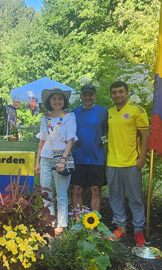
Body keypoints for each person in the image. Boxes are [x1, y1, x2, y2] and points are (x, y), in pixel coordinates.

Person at [107, 81, 149, 246]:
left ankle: (138, 230)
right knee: (115, 196)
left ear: (127, 92)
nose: (117, 95)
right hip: (113, 162)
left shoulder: (136, 110)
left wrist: (142, 159)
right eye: (114, 92)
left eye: (120, 92)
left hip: (131, 162)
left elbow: (145, 135)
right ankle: (121, 227)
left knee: (135, 198)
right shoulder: (109, 112)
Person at [35, 87, 77, 236]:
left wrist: (63, 160)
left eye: (60, 98)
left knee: (61, 192)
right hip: (46, 159)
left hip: (61, 158)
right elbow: (41, 142)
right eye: (54, 98)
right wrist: (37, 162)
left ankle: (62, 224)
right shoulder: (45, 118)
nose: (57, 101)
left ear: (64, 101)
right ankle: (49, 221)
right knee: (46, 192)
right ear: (49, 101)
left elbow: (70, 140)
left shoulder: (69, 117)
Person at [71, 84, 108, 217]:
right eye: (85, 94)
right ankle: (78, 222)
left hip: (96, 157)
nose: (88, 97)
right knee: (76, 190)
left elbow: (105, 131)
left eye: (90, 94)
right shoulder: (74, 112)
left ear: (95, 96)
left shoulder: (103, 111)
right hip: (78, 157)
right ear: (81, 96)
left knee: (96, 190)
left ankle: (94, 223)